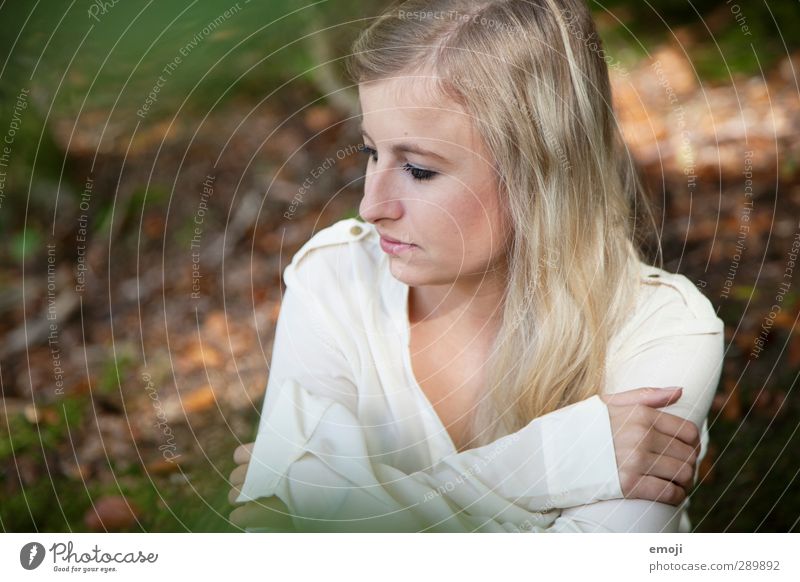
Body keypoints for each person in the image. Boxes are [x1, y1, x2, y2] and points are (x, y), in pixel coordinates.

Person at [228, 0, 724, 532]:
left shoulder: (662, 329)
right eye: (372, 153)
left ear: (541, 173)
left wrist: (332, 499)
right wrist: (555, 460)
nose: (372, 206)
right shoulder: (335, 279)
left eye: (418, 170)